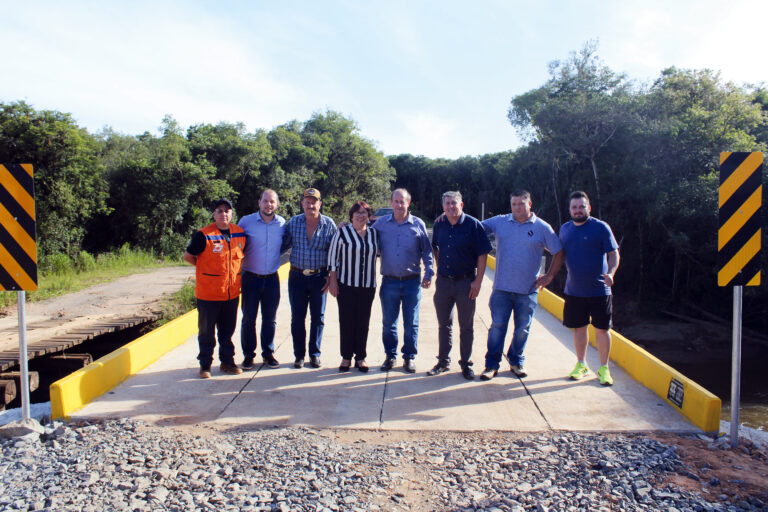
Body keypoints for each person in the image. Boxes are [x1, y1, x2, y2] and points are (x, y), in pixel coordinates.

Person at [479, 190, 564, 381]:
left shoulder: (542, 227)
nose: (517, 207)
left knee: (522, 329)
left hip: (528, 291)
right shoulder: (500, 222)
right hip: (501, 288)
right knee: (497, 328)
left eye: (521, 204)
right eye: (514, 204)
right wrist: (450, 214)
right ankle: (491, 365)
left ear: (530, 204)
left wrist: (549, 275)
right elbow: (473, 227)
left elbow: (558, 251)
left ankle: (516, 361)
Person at [428, 191, 492, 380]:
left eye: (454, 203)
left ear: (461, 205)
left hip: (466, 282)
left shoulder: (473, 225)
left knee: (466, 326)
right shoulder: (440, 224)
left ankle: (466, 364)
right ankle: (443, 362)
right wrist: (440, 271)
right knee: (444, 324)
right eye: (447, 204)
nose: (450, 207)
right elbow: (435, 247)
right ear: (443, 207)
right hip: (444, 283)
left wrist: (478, 281)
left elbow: (482, 254)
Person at [559, 190, 620, 386]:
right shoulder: (565, 229)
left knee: (602, 330)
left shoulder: (601, 228)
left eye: (581, 207)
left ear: (589, 208)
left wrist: (611, 273)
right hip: (574, 291)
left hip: (600, 291)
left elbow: (614, 254)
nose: (578, 210)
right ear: (570, 209)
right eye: (574, 207)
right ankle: (581, 364)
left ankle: (604, 368)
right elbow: (557, 254)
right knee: (579, 329)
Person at [372, 188, 434, 373]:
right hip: (389, 282)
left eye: (403, 201)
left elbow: (427, 251)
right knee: (389, 323)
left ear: (409, 202)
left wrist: (429, 273)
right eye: (396, 201)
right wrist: (347, 226)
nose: (399, 205)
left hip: (411, 282)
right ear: (391, 203)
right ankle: (390, 356)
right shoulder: (381, 224)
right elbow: (364, 238)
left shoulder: (418, 224)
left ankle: (409, 358)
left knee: (411, 323)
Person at [183, 199, 246, 378]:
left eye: (227, 211)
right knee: (206, 333)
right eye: (219, 211)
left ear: (232, 214)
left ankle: (227, 362)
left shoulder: (240, 234)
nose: (223, 214)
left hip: (231, 294)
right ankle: (205, 365)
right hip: (208, 295)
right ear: (214, 214)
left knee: (227, 332)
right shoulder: (204, 235)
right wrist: (204, 269)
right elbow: (188, 256)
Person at [282, 188, 337, 369]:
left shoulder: (329, 224)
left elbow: (335, 253)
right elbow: (282, 245)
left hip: (319, 277)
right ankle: (299, 355)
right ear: (302, 204)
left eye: (314, 202)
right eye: (307, 201)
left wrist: (331, 277)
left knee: (318, 318)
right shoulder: (293, 223)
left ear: (320, 204)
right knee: (297, 318)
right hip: (297, 276)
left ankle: (314, 354)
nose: (310, 205)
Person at [327, 201, 380, 373]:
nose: (361, 215)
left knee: (363, 322)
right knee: (347, 321)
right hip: (346, 285)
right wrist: (333, 282)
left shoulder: (374, 234)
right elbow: (333, 259)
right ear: (351, 215)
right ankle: (346, 357)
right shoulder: (342, 232)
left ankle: (361, 358)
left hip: (367, 286)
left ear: (369, 216)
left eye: (364, 212)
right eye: (357, 212)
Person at [238, 189, 285, 370]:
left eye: (272, 202)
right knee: (249, 319)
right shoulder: (246, 222)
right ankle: (249, 356)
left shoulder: (282, 223)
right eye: (265, 201)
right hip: (250, 278)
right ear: (259, 202)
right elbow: (237, 246)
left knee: (270, 319)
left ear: (277, 204)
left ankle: (268, 354)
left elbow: (285, 244)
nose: (268, 205)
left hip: (272, 279)